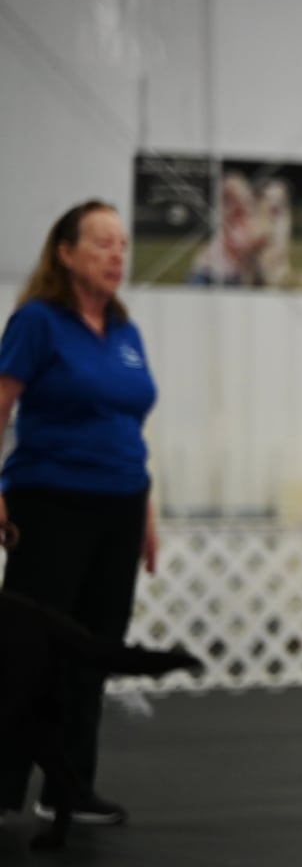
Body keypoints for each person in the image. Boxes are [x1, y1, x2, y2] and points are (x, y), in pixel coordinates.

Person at [0, 199, 161, 827]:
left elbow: (130, 426)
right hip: (51, 502)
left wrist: (146, 512)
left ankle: (68, 787)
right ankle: (3, 784)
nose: (117, 255)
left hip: (120, 504)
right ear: (65, 253)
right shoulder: (38, 323)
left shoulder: (126, 333)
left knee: (93, 648)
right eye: (102, 243)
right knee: (23, 650)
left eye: (122, 245)